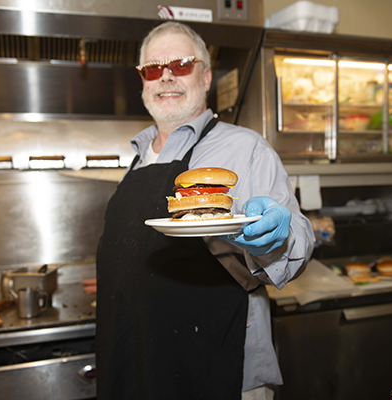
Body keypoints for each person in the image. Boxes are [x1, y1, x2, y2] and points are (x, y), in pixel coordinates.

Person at [95, 21, 315, 400]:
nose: (165, 77)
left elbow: (298, 243)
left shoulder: (246, 148)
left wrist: (279, 237)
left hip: (216, 364)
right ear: (143, 81)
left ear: (206, 76)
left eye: (180, 64)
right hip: (135, 365)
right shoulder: (138, 155)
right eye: (152, 68)